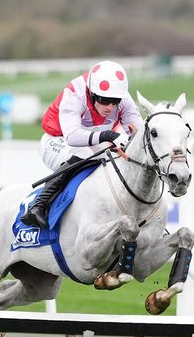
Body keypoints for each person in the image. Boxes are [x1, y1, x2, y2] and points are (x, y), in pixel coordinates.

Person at [20, 60, 143, 228]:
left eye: (115, 101)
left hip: (92, 143)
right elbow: (72, 136)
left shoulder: (123, 98)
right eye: (105, 101)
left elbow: (139, 132)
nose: (111, 107)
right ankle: (38, 205)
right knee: (86, 154)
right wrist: (110, 135)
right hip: (57, 141)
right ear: (92, 93)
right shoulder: (74, 94)